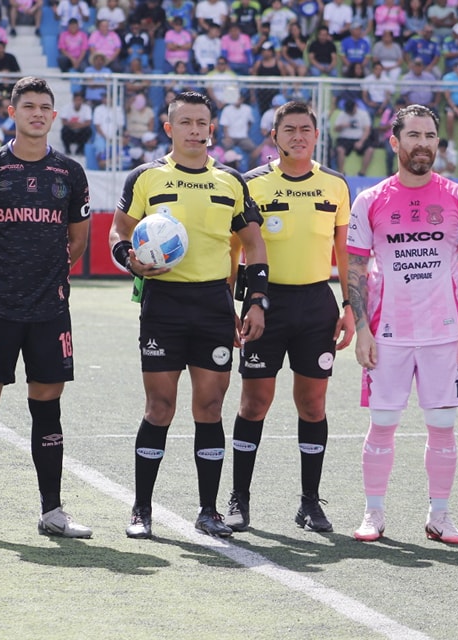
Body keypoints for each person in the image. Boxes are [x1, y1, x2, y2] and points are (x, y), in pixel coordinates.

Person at [108, 90, 268, 539]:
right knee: (159, 406)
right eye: (186, 123)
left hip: (213, 305)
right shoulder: (146, 178)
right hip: (163, 303)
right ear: (169, 128)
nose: (195, 130)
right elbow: (117, 231)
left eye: (202, 123)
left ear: (211, 129)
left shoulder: (231, 181)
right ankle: (141, 509)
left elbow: (255, 246)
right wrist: (128, 259)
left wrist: (255, 301)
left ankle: (209, 510)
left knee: (210, 407)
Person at [0, 77, 93, 540]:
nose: (37, 114)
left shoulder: (70, 173)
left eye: (45, 107)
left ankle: (53, 511)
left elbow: (78, 238)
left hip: (50, 310)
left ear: (54, 116)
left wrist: (52, 278)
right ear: (13, 112)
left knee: (47, 410)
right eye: (29, 106)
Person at [347, 104, 458, 544]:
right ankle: (373, 513)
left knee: (442, 426)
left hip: (444, 334)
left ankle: (439, 515)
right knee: (383, 423)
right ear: (395, 142)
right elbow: (354, 270)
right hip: (387, 335)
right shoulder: (370, 200)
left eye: (430, 136)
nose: (423, 144)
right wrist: (362, 328)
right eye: (414, 135)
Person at [222, 101, 354, 534]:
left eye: (306, 129)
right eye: (289, 129)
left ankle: (310, 503)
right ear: (274, 137)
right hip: (265, 304)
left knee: (313, 405)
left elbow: (344, 253)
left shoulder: (335, 185)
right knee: (254, 403)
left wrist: (350, 307)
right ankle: (238, 498)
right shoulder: (252, 184)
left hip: (317, 305)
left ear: (316, 135)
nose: (298, 136)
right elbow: (234, 251)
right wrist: (230, 305)